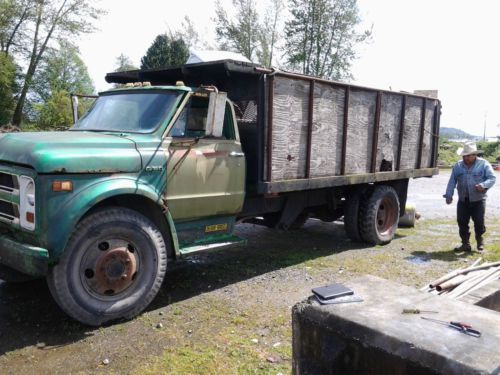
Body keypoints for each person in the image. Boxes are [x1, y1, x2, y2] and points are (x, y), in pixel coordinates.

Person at [444, 142, 496, 252]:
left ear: (474, 155)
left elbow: (492, 178)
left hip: (478, 200)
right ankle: (465, 244)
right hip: (463, 200)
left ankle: (479, 240)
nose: (465, 158)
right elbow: (452, 181)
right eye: (464, 155)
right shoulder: (458, 166)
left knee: (479, 222)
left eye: (468, 155)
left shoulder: (483, 164)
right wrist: (449, 195)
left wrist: (483, 185)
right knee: (462, 222)